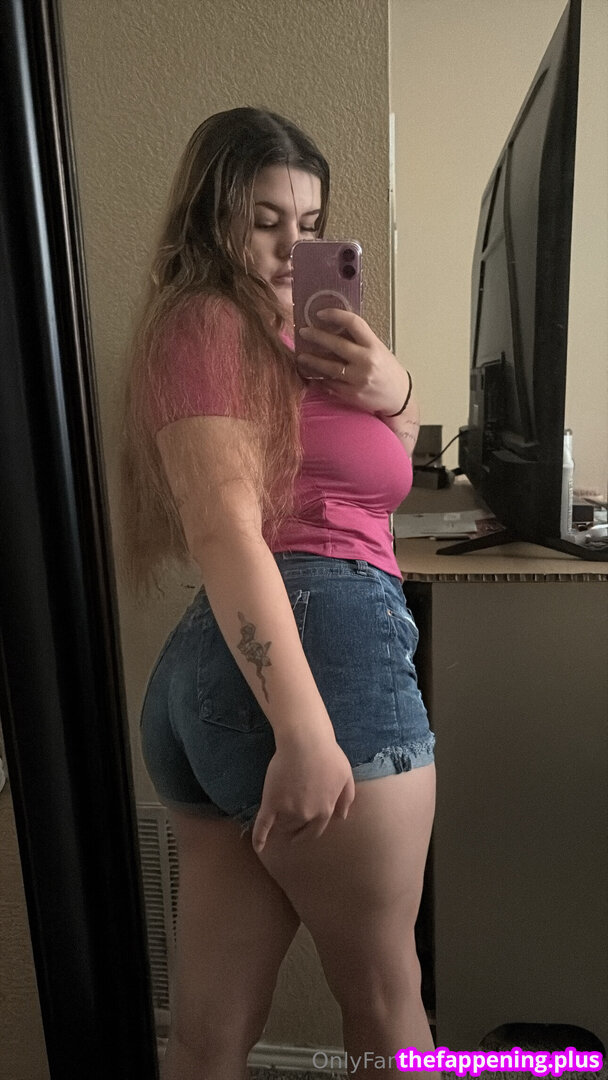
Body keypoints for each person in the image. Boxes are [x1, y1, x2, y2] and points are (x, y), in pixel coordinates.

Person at [120, 106, 437, 1080]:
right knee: (386, 1002)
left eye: (308, 224)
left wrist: (394, 387)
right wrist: (303, 733)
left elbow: (379, 469)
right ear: (210, 216)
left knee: (207, 1034)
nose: (289, 247)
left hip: (220, 678)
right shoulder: (206, 322)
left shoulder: (297, 338)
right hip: (314, 656)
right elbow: (222, 528)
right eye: (264, 221)